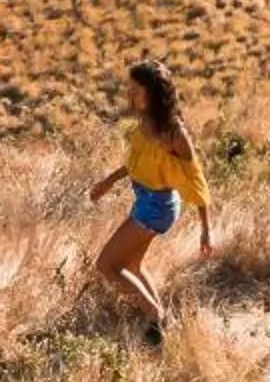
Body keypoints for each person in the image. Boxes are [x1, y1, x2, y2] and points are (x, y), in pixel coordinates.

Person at [84, 59, 212, 344]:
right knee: (131, 266)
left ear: (154, 92)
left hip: (157, 206)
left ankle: (154, 316)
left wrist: (206, 227)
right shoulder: (145, 121)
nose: (131, 94)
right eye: (130, 88)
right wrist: (110, 181)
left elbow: (195, 178)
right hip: (146, 199)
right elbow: (139, 162)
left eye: (136, 90)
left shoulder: (174, 134)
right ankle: (162, 326)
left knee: (105, 265)